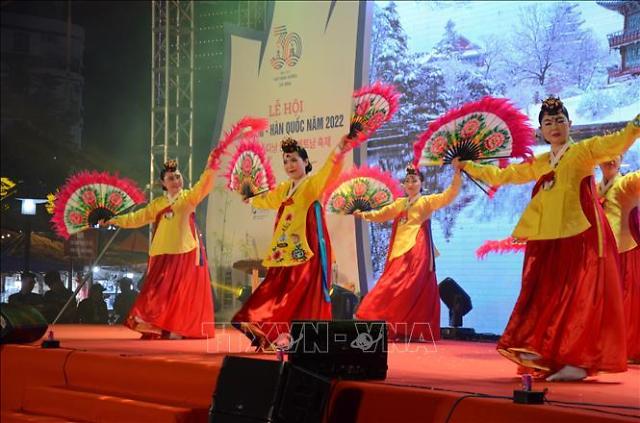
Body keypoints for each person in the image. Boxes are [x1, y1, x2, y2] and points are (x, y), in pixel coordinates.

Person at [453, 97, 639, 381]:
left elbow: (616, 142)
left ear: (570, 124)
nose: (555, 127)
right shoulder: (542, 162)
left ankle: (578, 360)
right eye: (548, 123)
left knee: (578, 297)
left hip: (580, 236)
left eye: (560, 121)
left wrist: (636, 125)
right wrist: (469, 167)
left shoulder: (583, 152)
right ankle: (544, 350)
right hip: (550, 240)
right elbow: (507, 174)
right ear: (540, 131)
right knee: (542, 294)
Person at [232, 135, 349, 350]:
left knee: (295, 292)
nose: (289, 165)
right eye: (286, 161)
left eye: (294, 160)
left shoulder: (312, 185)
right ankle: (266, 329)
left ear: (305, 162)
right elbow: (268, 199)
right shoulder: (285, 188)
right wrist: (251, 198)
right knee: (274, 288)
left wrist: (340, 147)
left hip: (306, 248)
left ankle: (285, 336)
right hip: (283, 251)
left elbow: (329, 171)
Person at [104, 158, 217, 339]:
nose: (176, 181)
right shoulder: (157, 204)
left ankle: (177, 329)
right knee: (156, 292)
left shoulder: (189, 197)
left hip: (184, 252)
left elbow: (204, 185)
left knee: (180, 293)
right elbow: (136, 218)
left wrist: (212, 163)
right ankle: (156, 326)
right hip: (161, 254)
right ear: (163, 183)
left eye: (178, 177)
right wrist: (113, 220)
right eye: (171, 178)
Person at [354, 165, 461, 342]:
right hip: (399, 251)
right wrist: (364, 215)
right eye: (407, 181)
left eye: (414, 180)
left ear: (421, 183)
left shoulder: (426, 202)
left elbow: (448, 196)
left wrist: (457, 175)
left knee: (408, 287)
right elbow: (382, 214)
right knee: (390, 284)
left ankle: (401, 326)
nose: (410, 184)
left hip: (418, 251)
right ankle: (387, 322)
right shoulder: (400, 203)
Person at [597, 158, 640, 363]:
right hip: (600, 253)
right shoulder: (593, 188)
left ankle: (628, 348)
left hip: (625, 250)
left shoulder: (627, 183)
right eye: (606, 156)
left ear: (621, 159)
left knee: (627, 301)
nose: (610, 160)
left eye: (615, 155)